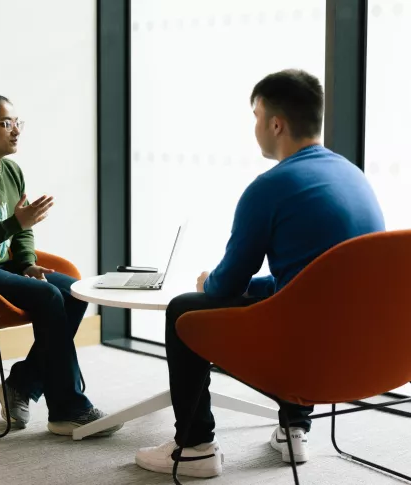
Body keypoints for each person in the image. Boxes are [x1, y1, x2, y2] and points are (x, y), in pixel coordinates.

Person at [135, 70, 385, 478]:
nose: (254, 128)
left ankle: (194, 446)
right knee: (291, 304)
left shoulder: (270, 187)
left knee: (184, 309)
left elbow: (226, 287)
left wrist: (209, 283)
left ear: (275, 123)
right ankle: (294, 429)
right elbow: (314, 281)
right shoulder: (353, 176)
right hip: (372, 355)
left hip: (306, 362)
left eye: (256, 116)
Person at [0, 93, 122, 437]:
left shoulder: (11, 170)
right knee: (47, 298)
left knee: (73, 292)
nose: (15, 131)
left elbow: (22, 230)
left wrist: (28, 263)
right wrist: (16, 223)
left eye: (17, 123)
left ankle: (22, 384)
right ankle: (67, 408)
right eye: (5, 123)